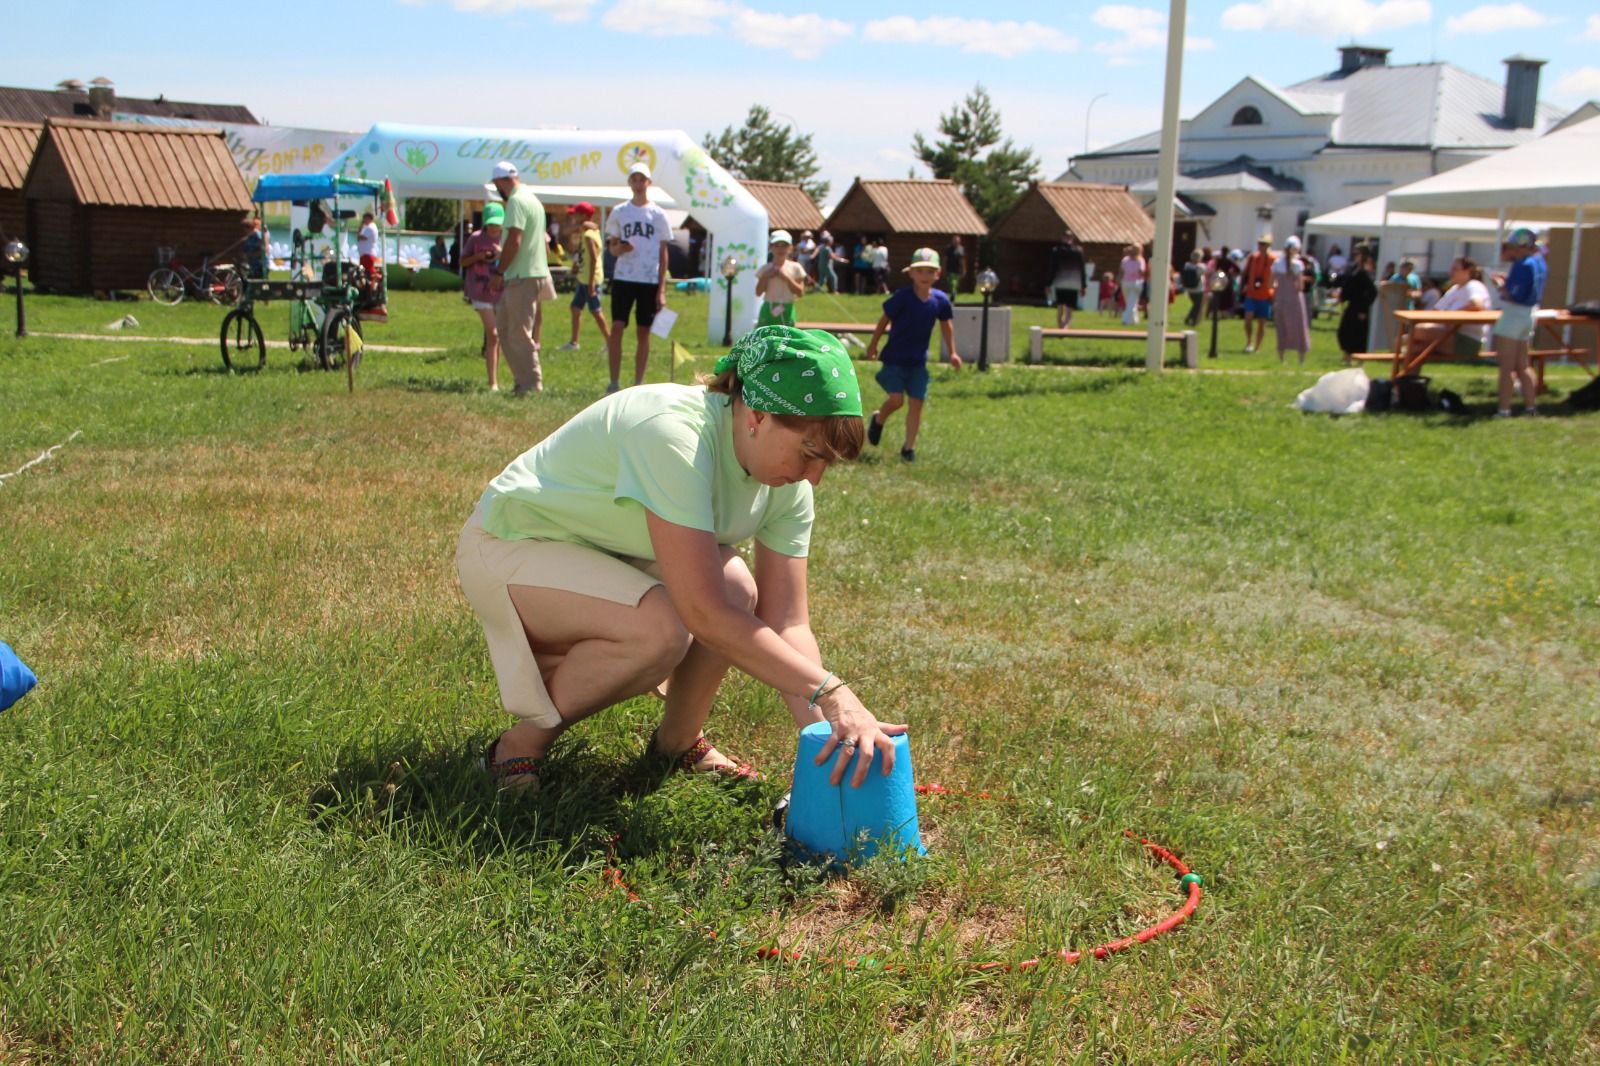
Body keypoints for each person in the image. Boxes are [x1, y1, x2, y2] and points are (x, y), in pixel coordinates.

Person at [457, 325, 904, 792]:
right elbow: (703, 615)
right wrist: (831, 692)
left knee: (734, 588)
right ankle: (516, 748)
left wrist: (829, 737)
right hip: (510, 545)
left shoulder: (790, 486)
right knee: (660, 630)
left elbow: (788, 622)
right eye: (811, 453)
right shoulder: (673, 433)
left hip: (605, 551)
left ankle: (677, 742)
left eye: (827, 463)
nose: (814, 478)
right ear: (756, 414)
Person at [863, 248, 962, 463]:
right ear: (911, 274)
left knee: (917, 403)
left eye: (930, 272)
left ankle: (909, 449)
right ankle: (878, 419)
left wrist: (953, 352)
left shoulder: (940, 301)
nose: (925, 276)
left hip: (918, 362)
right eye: (920, 271)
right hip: (895, 358)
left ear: (938, 274)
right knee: (897, 400)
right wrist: (873, 345)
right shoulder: (903, 298)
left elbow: (947, 326)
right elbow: (884, 320)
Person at [488, 161, 557, 396]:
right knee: (505, 328)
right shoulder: (532, 199)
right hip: (528, 272)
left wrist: (499, 271)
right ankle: (522, 381)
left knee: (518, 332)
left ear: (501, 181)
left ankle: (532, 384)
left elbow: (514, 240)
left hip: (522, 275)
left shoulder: (516, 201)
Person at [605, 162, 673, 393]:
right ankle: (614, 382)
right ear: (629, 183)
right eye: (634, 179)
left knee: (643, 330)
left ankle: (638, 383)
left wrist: (661, 288)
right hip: (624, 277)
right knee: (617, 326)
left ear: (649, 183)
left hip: (649, 279)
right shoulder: (619, 212)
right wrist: (619, 249)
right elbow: (612, 248)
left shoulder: (658, 214)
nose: (638, 183)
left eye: (642, 179)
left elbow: (664, 252)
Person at [1491, 228, 1547, 417]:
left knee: (1506, 366)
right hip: (1530, 314)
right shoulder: (1540, 263)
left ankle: (1504, 409)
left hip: (1514, 314)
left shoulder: (1522, 264)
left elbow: (1512, 294)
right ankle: (1531, 408)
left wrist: (1500, 286)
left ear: (1521, 247)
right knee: (1523, 364)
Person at [1405, 257, 1490, 364]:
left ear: (1467, 271)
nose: (1451, 271)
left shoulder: (1474, 286)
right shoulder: (1454, 289)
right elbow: (1436, 310)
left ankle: (1406, 376)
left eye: (1455, 269)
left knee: (1418, 331)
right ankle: (1408, 378)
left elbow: (1477, 305)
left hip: (1466, 340)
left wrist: (1451, 317)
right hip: (1447, 333)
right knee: (1412, 345)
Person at [558, 201, 611, 353]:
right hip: (583, 277)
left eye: (575, 213)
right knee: (575, 308)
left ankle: (610, 342)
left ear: (583, 215)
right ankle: (574, 343)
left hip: (590, 279)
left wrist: (592, 284)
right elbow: (584, 254)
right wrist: (577, 265)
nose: (573, 216)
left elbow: (594, 258)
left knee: (596, 311)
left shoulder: (588, 235)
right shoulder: (584, 231)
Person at [462, 204, 505, 390]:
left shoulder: (506, 239)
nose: (494, 228)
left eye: (497, 225)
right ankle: (493, 381)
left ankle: (495, 376)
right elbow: (462, 261)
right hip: (480, 291)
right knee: (493, 334)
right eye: (491, 225)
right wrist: (478, 256)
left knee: (499, 336)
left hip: (502, 291)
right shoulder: (476, 238)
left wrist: (501, 254)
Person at [1334, 244, 1377, 365]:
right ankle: (1347, 356)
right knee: (1344, 331)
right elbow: (1349, 285)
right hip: (1352, 305)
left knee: (1358, 335)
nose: (1355, 256)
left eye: (1357, 253)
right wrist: (1342, 296)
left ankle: (1360, 360)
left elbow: (1372, 292)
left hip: (1360, 307)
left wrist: (1364, 309)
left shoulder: (1365, 272)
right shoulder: (1354, 269)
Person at [755, 230, 808, 328]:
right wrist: (765, 276)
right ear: (771, 247)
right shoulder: (765, 269)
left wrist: (787, 278)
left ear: (790, 248)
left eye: (784, 245)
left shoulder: (796, 267)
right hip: (768, 308)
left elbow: (800, 293)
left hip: (787, 308)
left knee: (786, 340)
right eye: (776, 245)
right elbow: (758, 292)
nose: (780, 249)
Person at [1272, 235, 1312, 365]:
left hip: (1281, 297)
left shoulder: (1277, 263)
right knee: (1299, 327)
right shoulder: (1298, 265)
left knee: (1281, 326)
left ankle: (1282, 358)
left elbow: (1270, 283)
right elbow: (1300, 286)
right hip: (1294, 299)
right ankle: (1301, 359)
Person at [1241, 235, 1276, 353]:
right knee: (1248, 319)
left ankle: (1258, 346)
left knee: (1262, 322)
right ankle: (1249, 341)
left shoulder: (1273, 259)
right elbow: (1245, 273)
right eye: (1260, 243)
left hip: (1265, 295)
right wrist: (1242, 287)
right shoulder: (1253, 258)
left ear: (1268, 246)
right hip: (1251, 293)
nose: (1261, 246)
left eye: (1264, 244)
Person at [1048, 233, 1086, 328]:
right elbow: (1082, 269)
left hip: (1060, 282)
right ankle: (1065, 327)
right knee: (1070, 307)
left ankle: (1060, 326)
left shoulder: (1056, 251)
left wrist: (1048, 283)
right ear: (1072, 239)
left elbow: (1052, 269)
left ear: (1062, 238)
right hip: (1074, 283)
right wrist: (1083, 285)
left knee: (1060, 306)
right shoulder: (1078, 251)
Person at [1118, 244, 1146, 326]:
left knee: (1130, 302)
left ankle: (1133, 320)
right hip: (1136, 282)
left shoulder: (1125, 259)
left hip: (1126, 282)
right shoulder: (1141, 260)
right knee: (1132, 302)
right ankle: (1126, 320)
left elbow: (1121, 272)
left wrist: (1118, 281)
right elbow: (1141, 271)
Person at [1180, 249, 1205, 326]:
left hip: (1189, 288)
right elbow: (1204, 273)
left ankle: (1193, 319)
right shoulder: (1201, 267)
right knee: (1197, 305)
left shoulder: (1187, 265)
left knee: (1195, 305)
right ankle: (1191, 319)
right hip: (1198, 288)